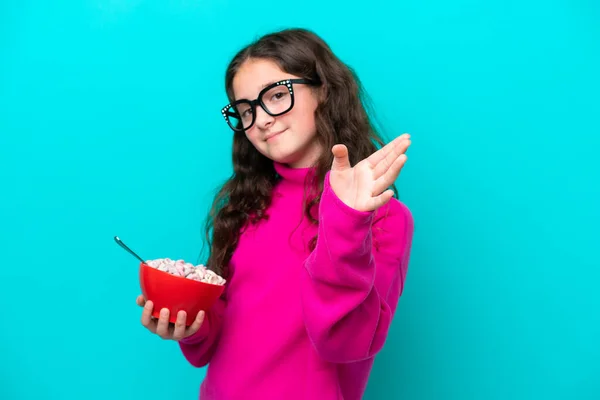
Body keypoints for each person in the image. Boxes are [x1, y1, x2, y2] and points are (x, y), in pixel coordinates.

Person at [136, 27, 414, 399]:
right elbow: (228, 328)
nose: (262, 119)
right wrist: (190, 322)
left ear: (324, 90)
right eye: (246, 110)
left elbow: (347, 343)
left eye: (277, 95)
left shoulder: (384, 219)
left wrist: (347, 219)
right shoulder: (245, 206)